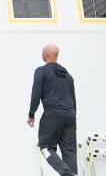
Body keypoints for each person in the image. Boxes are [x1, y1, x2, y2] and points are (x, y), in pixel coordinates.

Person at [27, 44, 78, 176]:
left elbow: (36, 94)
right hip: (70, 116)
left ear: (45, 55)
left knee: (46, 147)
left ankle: (69, 174)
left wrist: (31, 114)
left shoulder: (41, 71)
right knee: (69, 152)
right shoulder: (68, 76)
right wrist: (73, 117)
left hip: (53, 115)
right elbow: (73, 99)